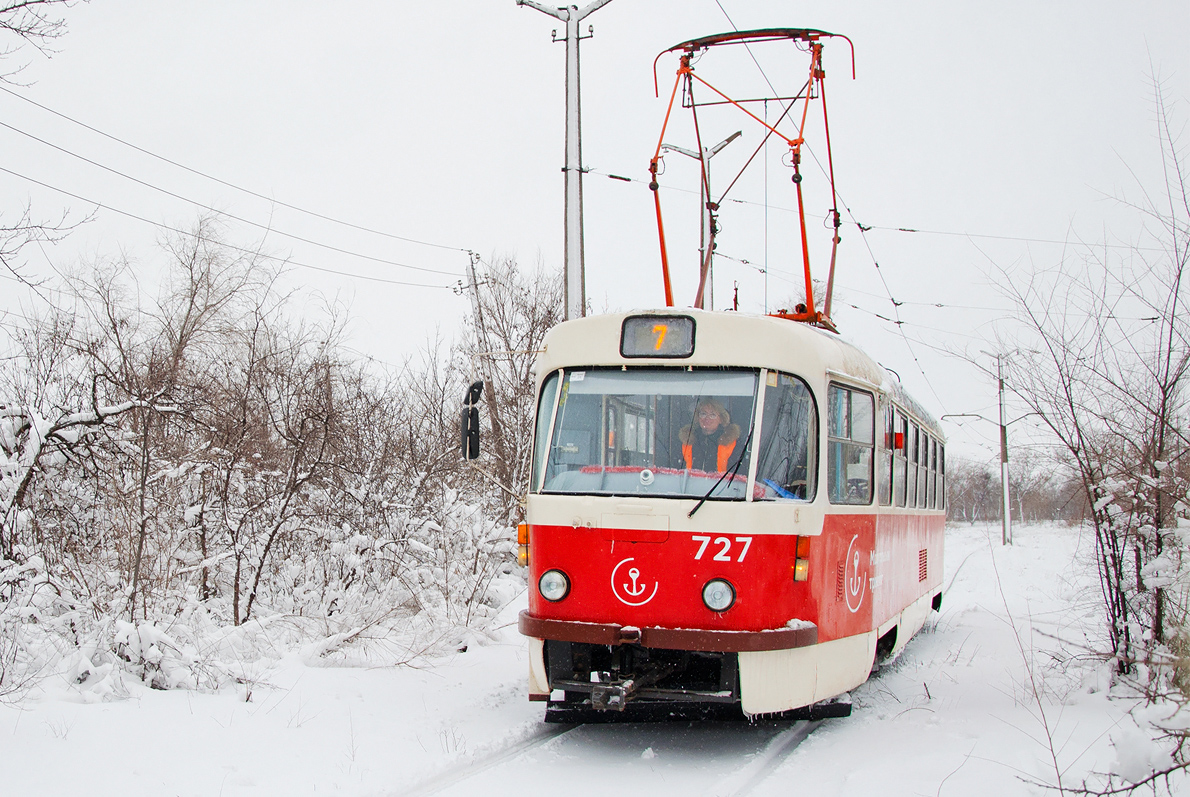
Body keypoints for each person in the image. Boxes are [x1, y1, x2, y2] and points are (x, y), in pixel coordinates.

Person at [679, 399, 741, 472]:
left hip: (721, 483)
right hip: (691, 483)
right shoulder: (687, 439)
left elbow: (738, 476)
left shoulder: (731, 443)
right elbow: (677, 472)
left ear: (721, 419)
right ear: (697, 417)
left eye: (712, 415)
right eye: (703, 414)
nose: (707, 419)